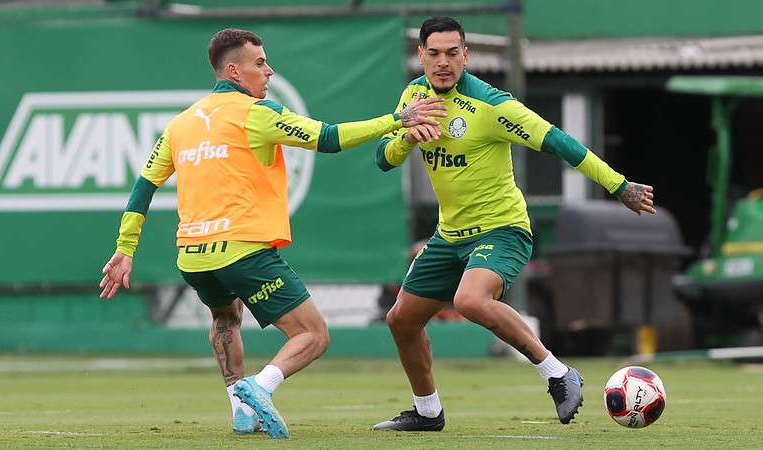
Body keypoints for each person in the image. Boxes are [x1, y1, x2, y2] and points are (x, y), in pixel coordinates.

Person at [98, 28, 445, 439]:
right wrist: (396, 120)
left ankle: (240, 412)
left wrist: (125, 248)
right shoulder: (258, 113)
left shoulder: (181, 124)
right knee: (313, 335)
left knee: (226, 317)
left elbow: (144, 185)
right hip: (243, 251)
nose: (269, 71)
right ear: (234, 70)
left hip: (194, 256)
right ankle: (259, 388)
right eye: (260, 63)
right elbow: (328, 138)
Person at [372, 17, 656, 431]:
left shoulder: (493, 106)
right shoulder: (414, 96)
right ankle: (428, 412)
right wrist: (407, 136)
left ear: (466, 55)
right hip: (449, 236)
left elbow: (560, 141)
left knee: (470, 301)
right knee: (401, 320)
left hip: (501, 229)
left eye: (453, 53)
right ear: (420, 56)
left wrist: (619, 185)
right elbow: (383, 158)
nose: (443, 62)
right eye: (433, 53)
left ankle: (558, 374)